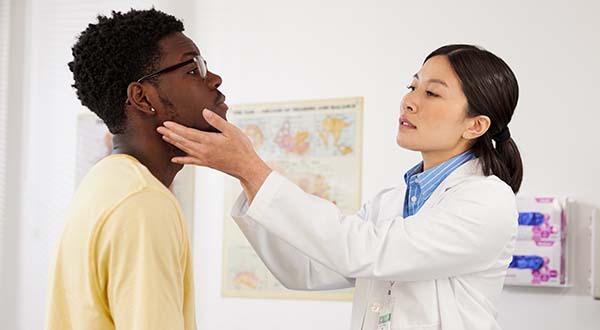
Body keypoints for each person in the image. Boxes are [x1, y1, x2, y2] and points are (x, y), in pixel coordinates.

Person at [158, 44, 522, 330]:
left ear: (475, 126)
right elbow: (306, 270)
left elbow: (364, 251)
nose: (409, 100)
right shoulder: (391, 203)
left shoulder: (486, 201)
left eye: (433, 93)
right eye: (412, 86)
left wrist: (253, 169)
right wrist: (246, 176)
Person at [46, 8, 228, 330]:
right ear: (143, 98)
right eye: (193, 68)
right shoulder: (143, 203)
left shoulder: (104, 182)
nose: (214, 79)